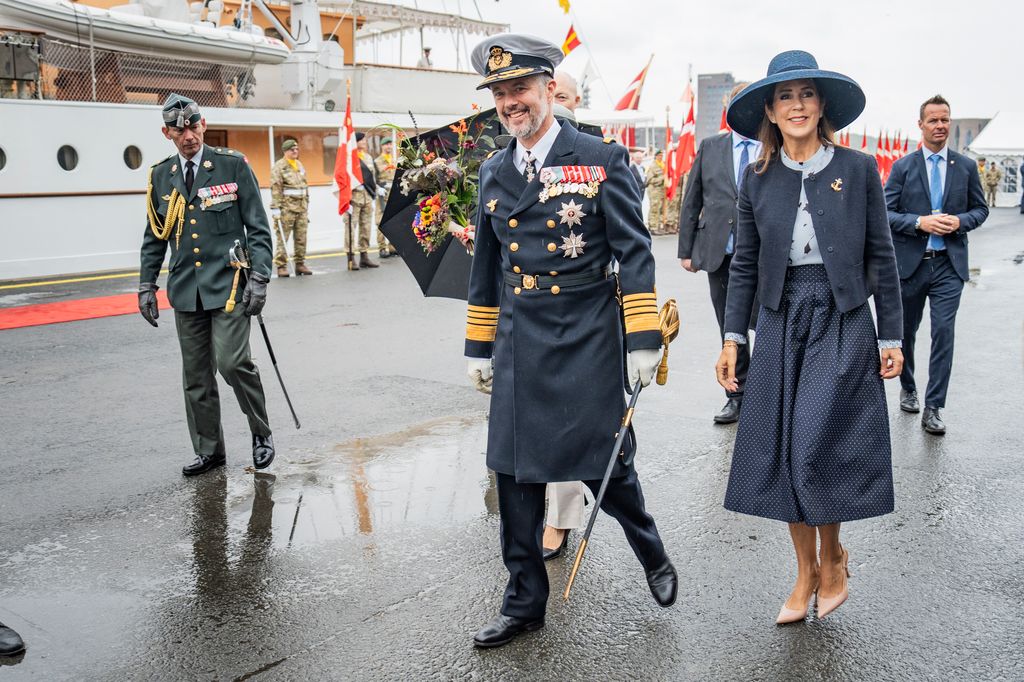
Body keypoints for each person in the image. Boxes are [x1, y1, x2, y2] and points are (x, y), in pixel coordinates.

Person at [465, 34, 677, 648]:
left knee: (604, 464)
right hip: (519, 335)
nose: (511, 103)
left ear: (548, 89)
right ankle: (524, 601)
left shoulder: (600, 158)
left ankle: (651, 551)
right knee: (513, 471)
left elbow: (634, 250)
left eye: (521, 90)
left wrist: (641, 336)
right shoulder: (494, 171)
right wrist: (479, 345)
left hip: (587, 330)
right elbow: (487, 267)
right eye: (501, 93)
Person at [717, 51, 904, 624]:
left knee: (818, 445)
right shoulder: (757, 179)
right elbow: (744, 263)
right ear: (769, 111)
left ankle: (833, 559)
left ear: (821, 105)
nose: (796, 105)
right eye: (784, 97)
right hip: (779, 320)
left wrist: (890, 335)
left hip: (842, 316)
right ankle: (805, 572)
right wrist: (732, 339)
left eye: (806, 94)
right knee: (782, 452)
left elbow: (882, 254)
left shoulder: (860, 166)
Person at [139, 93, 275, 476]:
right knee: (196, 377)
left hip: (230, 283)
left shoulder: (231, 166)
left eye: (193, 126)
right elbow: (154, 236)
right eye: (179, 130)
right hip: (186, 289)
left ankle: (261, 432)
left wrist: (260, 277)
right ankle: (209, 450)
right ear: (167, 133)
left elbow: (258, 228)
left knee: (233, 363)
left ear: (203, 125)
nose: (188, 136)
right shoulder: (159, 175)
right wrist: (146, 285)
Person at [884, 95, 989, 434]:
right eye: (933, 120)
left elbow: (980, 209)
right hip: (911, 266)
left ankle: (934, 406)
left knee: (944, 333)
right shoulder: (902, 167)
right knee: (907, 333)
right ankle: (909, 388)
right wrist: (919, 223)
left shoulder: (966, 167)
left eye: (945, 120)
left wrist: (959, 222)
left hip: (949, 266)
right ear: (921, 125)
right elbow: (885, 214)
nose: (940, 126)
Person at [678, 82, 757, 425]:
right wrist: (686, 250)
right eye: (734, 103)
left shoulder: (774, 146)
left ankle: (767, 394)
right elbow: (692, 199)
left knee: (766, 324)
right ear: (728, 107)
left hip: (763, 255)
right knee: (729, 327)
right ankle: (736, 396)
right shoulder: (711, 147)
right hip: (720, 254)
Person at [270, 139, 312, 277]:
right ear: (285, 151)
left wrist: (307, 204)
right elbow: (276, 187)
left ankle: (300, 264)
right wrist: (275, 207)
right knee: (283, 238)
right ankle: (281, 266)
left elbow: (304, 186)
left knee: (301, 237)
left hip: (301, 207)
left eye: (297, 149)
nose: (295, 152)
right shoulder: (279, 166)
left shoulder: (299, 164)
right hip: (286, 209)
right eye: (292, 150)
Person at [345, 132, 380, 270]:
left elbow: (371, 178)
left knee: (365, 228)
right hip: (353, 198)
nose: (365, 142)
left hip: (367, 197)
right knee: (351, 228)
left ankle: (364, 256)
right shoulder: (348, 158)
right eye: (362, 140)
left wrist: (376, 189)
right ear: (356, 142)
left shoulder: (368, 158)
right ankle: (350, 257)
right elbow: (344, 179)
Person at [552, 70, 604, 138]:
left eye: (562, 97)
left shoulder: (591, 136)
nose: (553, 103)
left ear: (576, 101)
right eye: (546, 97)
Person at [374, 138, 397, 258]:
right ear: (382, 146)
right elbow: (373, 179)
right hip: (382, 193)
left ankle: (392, 247)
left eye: (390, 144)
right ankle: (382, 248)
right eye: (386, 144)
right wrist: (377, 189)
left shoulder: (394, 160)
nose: (388, 146)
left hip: (393, 192)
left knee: (392, 219)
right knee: (380, 220)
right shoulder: (377, 161)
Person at [645, 150, 666, 234]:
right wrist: (661, 178)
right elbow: (649, 180)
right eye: (659, 155)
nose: (661, 157)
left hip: (661, 190)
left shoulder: (663, 165)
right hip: (654, 190)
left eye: (662, 155)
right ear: (656, 156)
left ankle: (658, 226)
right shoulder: (653, 166)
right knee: (654, 208)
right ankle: (653, 227)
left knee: (660, 208)